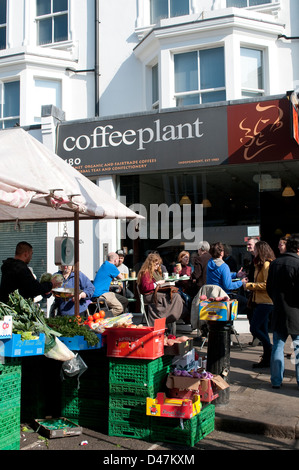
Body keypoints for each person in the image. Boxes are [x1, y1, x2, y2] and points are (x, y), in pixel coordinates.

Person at [266, 234, 299, 389]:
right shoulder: (297, 264)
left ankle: (276, 380)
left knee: (278, 346)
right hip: (296, 312)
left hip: (279, 310)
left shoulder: (275, 264)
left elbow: (269, 288)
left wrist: (277, 301)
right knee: (298, 347)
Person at [137, 252, 189, 327]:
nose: (158, 266)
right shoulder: (146, 272)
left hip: (155, 293)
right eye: (156, 264)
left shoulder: (155, 272)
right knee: (175, 296)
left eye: (158, 264)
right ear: (151, 263)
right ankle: (168, 317)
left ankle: (172, 315)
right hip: (148, 295)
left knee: (176, 295)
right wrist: (157, 283)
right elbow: (145, 288)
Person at [245, 241, 275, 368]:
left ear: (261, 250)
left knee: (254, 328)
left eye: (256, 249)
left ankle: (270, 349)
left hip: (266, 301)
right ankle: (267, 358)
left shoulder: (267, 264)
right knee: (262, 329)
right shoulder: (259, 264)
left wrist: (248, 285)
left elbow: (267, 284)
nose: (254, 251)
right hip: (259, 301)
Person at [92, 252, 129, 316]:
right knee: (119, 308)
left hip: (100, 292)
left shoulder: (105, 265)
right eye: (118, 259)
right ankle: (102, 317)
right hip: (102, 293)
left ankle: (119, 319)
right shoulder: (111, 266)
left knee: (124, 300)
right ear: (115, 260)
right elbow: (122, 277)